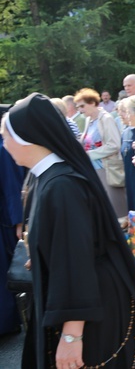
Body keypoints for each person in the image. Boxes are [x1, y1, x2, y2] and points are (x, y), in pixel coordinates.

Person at [2, 93, 135, 368]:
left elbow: (75, 261)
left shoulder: (61, 187)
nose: (4, 144)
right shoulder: (44, 178)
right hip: (83, 297)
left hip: (91, 307)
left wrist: (72, 336)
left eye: (6, 136)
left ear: (27, 137)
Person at [74, 88, 128, 223]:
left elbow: (114, 145)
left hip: (107, 169)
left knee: (117, 211)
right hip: (94, 169)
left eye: (82, 106)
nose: (80, 110)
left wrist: (89, 154)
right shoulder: (89, 120)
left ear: (92, 103)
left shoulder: (106, 118)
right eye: (78, 107)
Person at [0, 104, 25, 336]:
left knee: (13, 268)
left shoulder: (2, 148)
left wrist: (18, 221)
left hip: (7, 220)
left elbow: (12, 187)